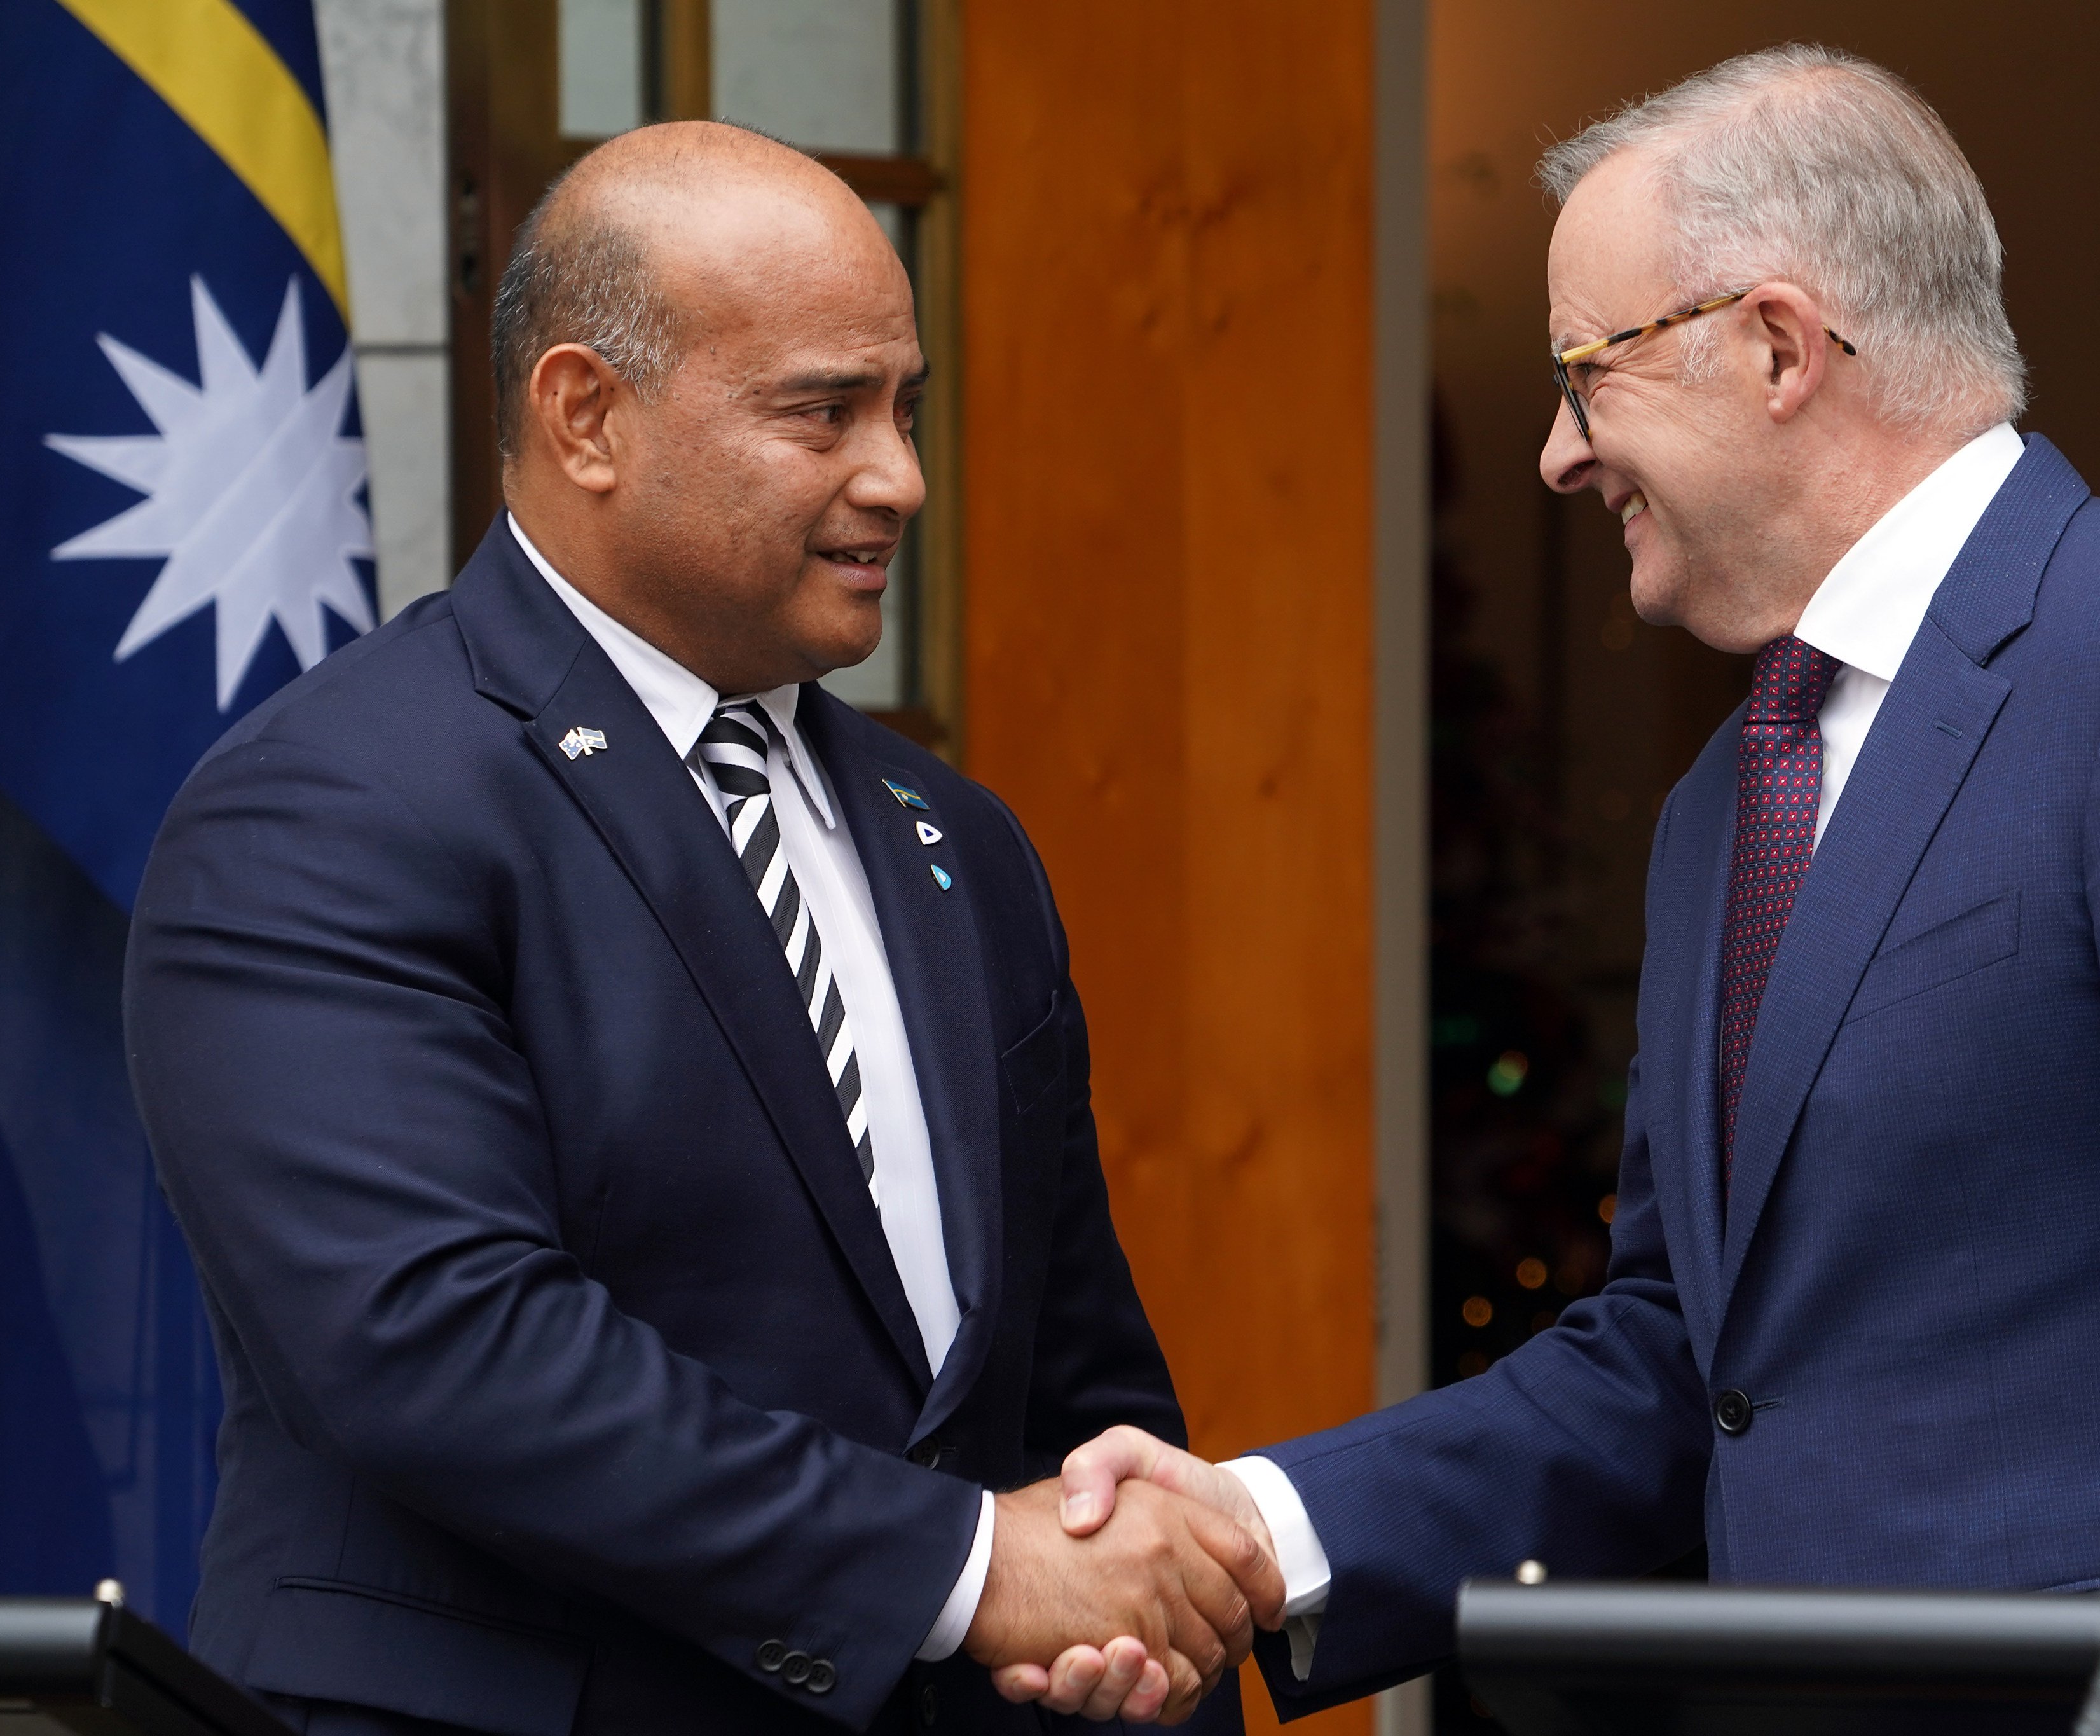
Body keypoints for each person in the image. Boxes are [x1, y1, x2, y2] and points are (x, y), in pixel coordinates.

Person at [1005, 43, 2100, 1721]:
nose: (1559, 457)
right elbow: (1686, 1358)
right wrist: (1258, 1528)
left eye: (1587, 374)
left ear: (1781, 347)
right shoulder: (1726, 799)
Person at [125, 122, 1273, 1735]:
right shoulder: (327, 811)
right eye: (823, 411)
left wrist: (1136, 1623)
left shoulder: (957, 841)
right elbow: (440, 1349)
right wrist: (963, 1566)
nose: (901, 477)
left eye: (906, 407)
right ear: (585, 415)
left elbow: (1070, 1391)